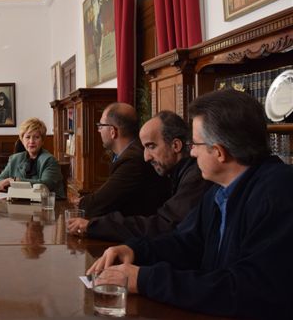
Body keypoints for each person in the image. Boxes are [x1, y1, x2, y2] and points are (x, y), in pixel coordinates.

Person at [88, 90, 293, 318]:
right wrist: (135, 251)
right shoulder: (219, 190)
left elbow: (247, 290)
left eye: (195, 143)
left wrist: (145, 279)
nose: (192, 152)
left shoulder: (279, 193)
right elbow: (185, 243)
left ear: (219, 152)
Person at [67, 111, 211, 241]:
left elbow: (164, 225)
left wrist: (94, 226)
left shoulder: (197, 176)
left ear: (176, 146)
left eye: (151, 146)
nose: (146, 157)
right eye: (145, 148)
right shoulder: (177, 172)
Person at [75, 103, 170, 217]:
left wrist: (82, 202)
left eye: (101, 126)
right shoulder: (130, 152)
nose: (99, 130)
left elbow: (96, 206)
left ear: (112, 131)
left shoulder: (132, 160)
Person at [0, 117, 65, 197]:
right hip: (20, 200)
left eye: (36, 137)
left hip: (47, 202)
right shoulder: (14, 159)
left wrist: (16, 181)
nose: (31, 141)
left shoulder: (50, 160)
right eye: (27, 137)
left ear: (42, 141)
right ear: (22, 140)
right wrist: (0, 184)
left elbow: (45, 184)